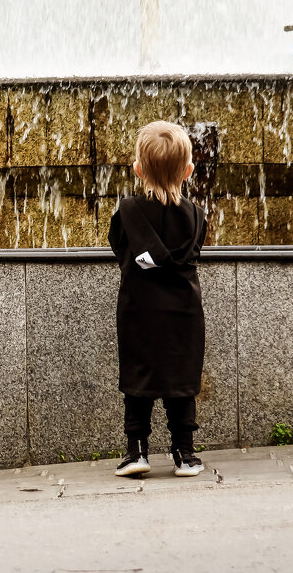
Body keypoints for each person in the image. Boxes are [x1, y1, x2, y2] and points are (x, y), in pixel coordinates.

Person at [107, 120, 207, 477]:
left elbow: (120, 251)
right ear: (188, 170)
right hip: (184, 312)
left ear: (137, 169)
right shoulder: (197, 216)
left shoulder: (127, 213)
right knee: (181, 381)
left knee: (138, 380)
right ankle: (185, 455)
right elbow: (195, 251)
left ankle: (136, 452)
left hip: (139, 310)